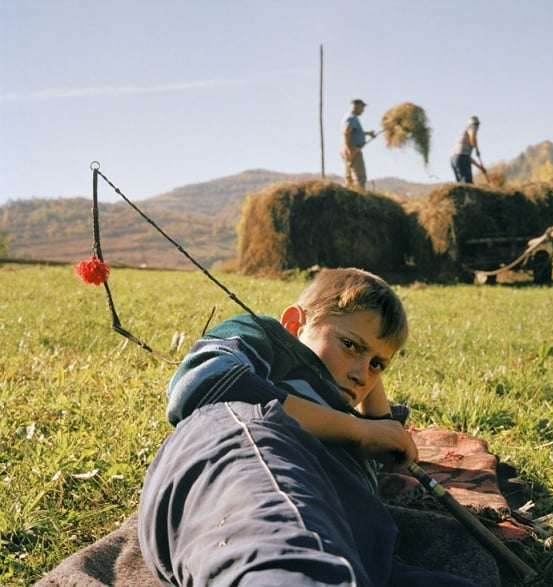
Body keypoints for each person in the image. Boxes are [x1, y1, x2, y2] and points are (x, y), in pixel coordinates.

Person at [138, 267, 480, 586]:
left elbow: (386, 439)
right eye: (350, 345)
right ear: (294, 325)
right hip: (248, 465)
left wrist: (368, 404)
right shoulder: (272, 340)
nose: (362, 375)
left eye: (377, 365)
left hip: (348, 530)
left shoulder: (355, 427)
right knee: (281, 558)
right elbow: (204, 384)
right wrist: (358, 429)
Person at [341, 99, 376, 190]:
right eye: (362, 108)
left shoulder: (351, 118)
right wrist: (349, 149)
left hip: (348, 148)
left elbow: (354, 132)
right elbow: (346, 132)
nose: (363, 111)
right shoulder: (351, 118)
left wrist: (368, 133)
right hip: (352, 149)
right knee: (359, 177)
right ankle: (360, 197)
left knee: (349, 177)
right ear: (357, 107)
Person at [450, 115, 486, 184]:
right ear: (477, 124)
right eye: (478, 125)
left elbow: (468, 159)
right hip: (461, 158)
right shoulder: (472, 127)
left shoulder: (463, 136)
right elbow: (472, 138)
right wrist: (477, 149)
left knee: (462, 185)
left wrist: (480, 168)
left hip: (453, 159)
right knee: (468, 184)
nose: (478, 127)